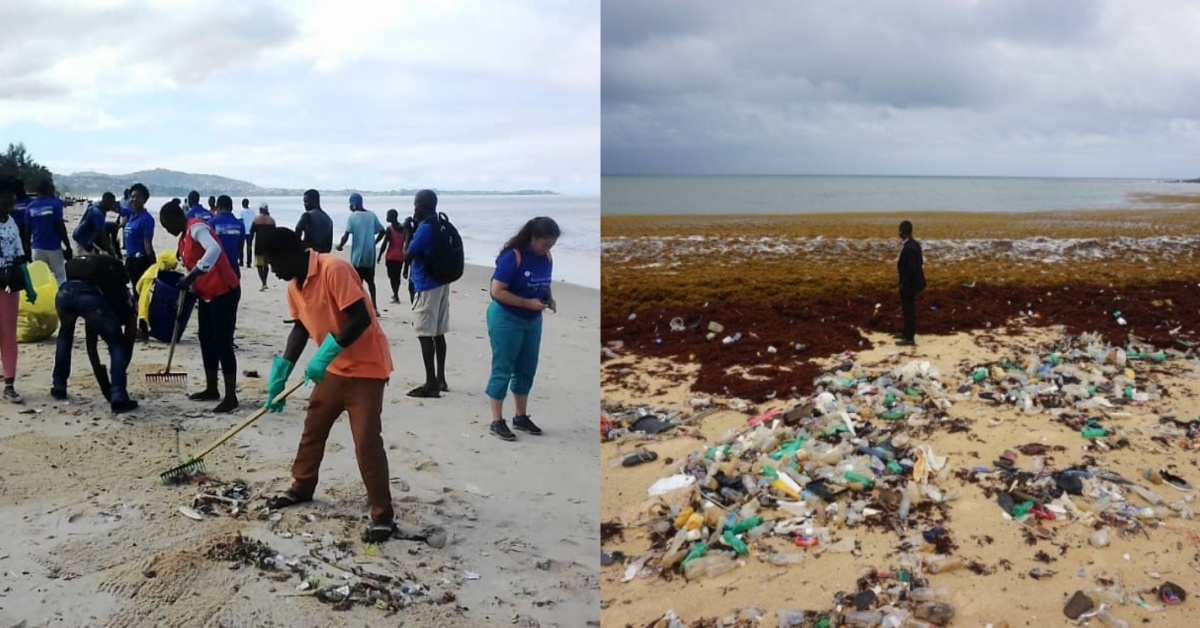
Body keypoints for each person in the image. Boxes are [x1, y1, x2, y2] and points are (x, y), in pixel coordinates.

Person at [258, 227, 397, 543]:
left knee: (365, 439)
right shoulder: (294, 286)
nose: (273, 272)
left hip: (366, 367)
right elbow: (300, 330)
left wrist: (325, 355)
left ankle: (382, 515)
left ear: (288, 255)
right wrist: (283, 370)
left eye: (274, 264)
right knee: (314, 426)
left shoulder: (333, 269)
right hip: (333, 367)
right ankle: (302, 486)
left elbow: (360, 318)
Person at [160, 202, 241, 413]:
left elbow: (214, 249)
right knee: (206, 339)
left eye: (166, 224)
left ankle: (231, 396)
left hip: (225, 291)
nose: (166, 229)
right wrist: (188, 288)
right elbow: (189, 268)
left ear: (177, 217)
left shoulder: (197, 228)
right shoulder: (182, 240)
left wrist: (195, 274)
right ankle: (211, 388)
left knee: (222, 341)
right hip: (206, 294)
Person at [485, 218, 559, 441]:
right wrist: (527, 303)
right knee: (503, 368)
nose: (547, 249)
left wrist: (549, 299)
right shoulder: (513, 257)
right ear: (532, 238)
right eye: (544, 244)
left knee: (527, 367)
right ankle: (497, 420)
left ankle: (520, 416)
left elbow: (544, 282)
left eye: (551, 245)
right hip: (506, 319)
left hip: (533, 320)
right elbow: (496, 291)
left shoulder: (546, 256)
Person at [52, 253, 138, 413]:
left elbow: (91, 344)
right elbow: (128, 338)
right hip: (88, 298)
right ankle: (120, 395)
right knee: (117, 344)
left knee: (65, 335)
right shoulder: (125, 301)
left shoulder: (106, 287)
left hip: (64, 293)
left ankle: (59, 384)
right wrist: (111, 384)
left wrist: (103, 380)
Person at [403, 190, 449, 398]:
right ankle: (440, 378)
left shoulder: (425, 229)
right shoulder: (439, 223)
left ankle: (431, 383)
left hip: (426, 285)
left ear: (421, 204)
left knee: (424, 334)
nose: (414, 208)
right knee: (438, 332)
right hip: (441, 283)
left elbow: (408, 255)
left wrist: (407, 233)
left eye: (416, 204)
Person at [0, 177, 39, 404]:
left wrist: (29, 286)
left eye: (11, 203)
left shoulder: (12, 224)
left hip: (7, 286)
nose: (10, 207)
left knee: (8, 335)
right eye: (6, 203)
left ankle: (9, 384)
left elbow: (20, 257)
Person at [336, 193, 384, 315]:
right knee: (371, 282)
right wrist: (374, 242)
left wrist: (340, 245)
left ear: (354, 204)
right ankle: (374, 307)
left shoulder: (353, 217)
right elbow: (382, 231)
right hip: (370, 255)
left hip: (357, 256)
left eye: (350, 203)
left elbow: (346, 235)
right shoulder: (372, 215)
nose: (349, 206)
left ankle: (361, 308)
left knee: (358, 283)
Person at [25, 180, 73, 285]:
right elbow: (60, 226)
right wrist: (67, 246)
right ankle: (59, 299)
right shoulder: (55, 204)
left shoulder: (30, 206)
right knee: (60, 276)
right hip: (54, 247)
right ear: (50, 190)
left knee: (39, 279)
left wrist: (27, 247)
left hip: (37, 248)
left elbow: (28, 230)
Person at [134, 250, 179, 341]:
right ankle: (143, 330)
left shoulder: (157, 269)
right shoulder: (152, 273)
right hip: (145, 291)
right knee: (144, 308)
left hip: (146, 290)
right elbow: (143, 294)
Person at [123, 184, 157, 301]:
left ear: (144, 200)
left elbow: (147, 244)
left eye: (138, 197)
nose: (134, 199)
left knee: (141, 294)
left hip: (140, 262)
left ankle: (142, 318)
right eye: (132, 196)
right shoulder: (132, 216)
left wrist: (154, 266)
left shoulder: (147, 219)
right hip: (130, 260)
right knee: (133, 291)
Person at [896, 220, 926, 346]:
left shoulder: (909, 248)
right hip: (914, 283)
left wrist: (904, 283)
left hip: (909, 285)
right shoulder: (915, 244)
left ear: (901, 232)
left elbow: (912, 269)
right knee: (907, 309)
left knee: (909, 310)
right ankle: (905, 332)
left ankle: (909, 337)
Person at [376, 209, 410, 304]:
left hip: (390, 256)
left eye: (388, 215)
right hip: (400, 256)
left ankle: (395, 295)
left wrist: (379, 256)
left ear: (392, 217)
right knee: (397, 276)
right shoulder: (404, 230)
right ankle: (396, 294)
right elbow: (407, 244)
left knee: (391, 277)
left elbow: (384, 244)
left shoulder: (389, 229)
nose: (386, 217)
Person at [210, 195, 246, 274]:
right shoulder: (240, 225)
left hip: (216, 267)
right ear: (231, 207)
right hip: (233, 266)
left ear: (218, 207)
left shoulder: (211, 223)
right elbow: (240, 246)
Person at [295, 189, 333, 254]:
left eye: (306, 202)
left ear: (314, 201)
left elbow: (297, 231)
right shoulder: (328, 219)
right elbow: (329, 246)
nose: (304, 205)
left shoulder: (307, 215)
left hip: (309, 255)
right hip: (323, 257)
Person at [250, 202, 276, 291]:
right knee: (266, 265)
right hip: (269, 246)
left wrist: (249, 244)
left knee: (259, 265)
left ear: (260, 210)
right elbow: (275, 234)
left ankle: (263, 283)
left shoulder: (256, 220)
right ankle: (265, 282)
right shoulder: (271, 220)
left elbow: (251, 233)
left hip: (259, 245)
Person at [239, 198, 255, 268]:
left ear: (243, 204)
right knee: (249, 247)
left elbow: (241, 221)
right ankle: (249, 263)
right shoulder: (252, 211)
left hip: (243, 231)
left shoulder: (241, 212)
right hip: (250, 231)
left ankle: (241, 261)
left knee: (241, 247)